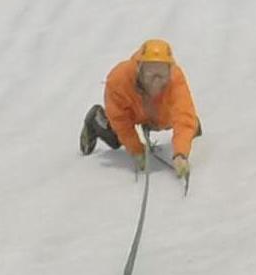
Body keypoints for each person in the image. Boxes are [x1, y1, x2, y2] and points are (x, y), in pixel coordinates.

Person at [81, 37, 200, 183]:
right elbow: (120, 120)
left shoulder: (175, 79)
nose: (156, 81)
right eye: (150, 74)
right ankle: (97, 120)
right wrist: (136, 150)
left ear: (170, 71)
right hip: (133, 113)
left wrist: (180, 154)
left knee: (192, 126)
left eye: (161, 75)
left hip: (158, 114)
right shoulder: (119, 79)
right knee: (115, 140)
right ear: (139, 69)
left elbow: (183, 115)